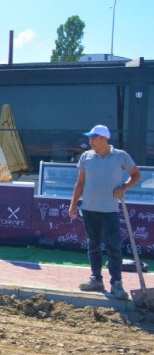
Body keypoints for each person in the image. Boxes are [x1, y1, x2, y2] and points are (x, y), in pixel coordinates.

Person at [69, 124, 141, 300]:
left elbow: (136, 175)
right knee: (93, 245)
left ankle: (116, 283)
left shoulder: (120, 156)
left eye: (94, 137)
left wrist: (124, 187)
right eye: (90, 137)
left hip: (109, 211)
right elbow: (80, 183)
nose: (90, 141)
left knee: (113, 247)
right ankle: (96, 279)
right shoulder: (86, 157)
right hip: (88, 209)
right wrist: (73, 205)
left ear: (104, 139)